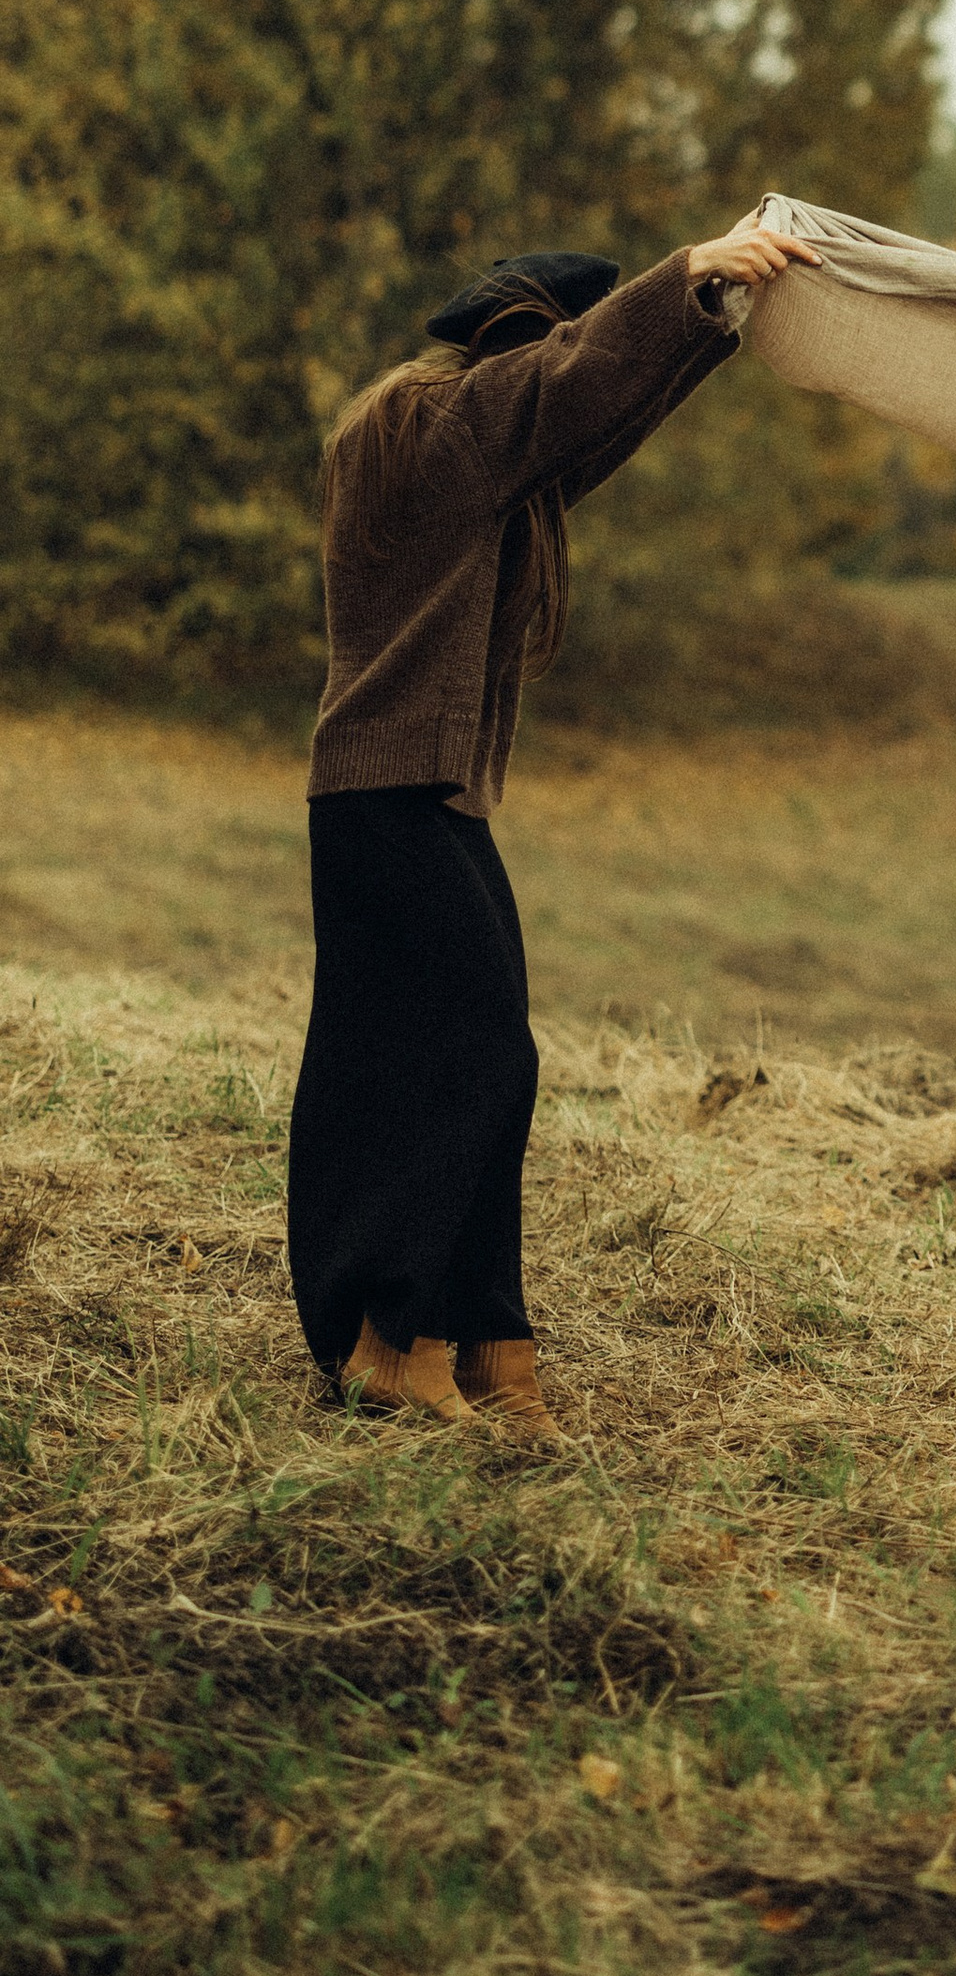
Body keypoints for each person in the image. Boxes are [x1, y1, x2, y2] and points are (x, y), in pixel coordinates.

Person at [289, 211, 817, 1440]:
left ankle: (491, 1347)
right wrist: (685, 279)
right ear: (519, 344)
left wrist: (706, 331)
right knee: (463, 1062)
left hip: (414, 796)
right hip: (388, 795)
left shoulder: (481, 455)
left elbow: (597, 415)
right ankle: (394, 1339)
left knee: (479, 1061)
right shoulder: (432, 426)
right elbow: (567, 393)